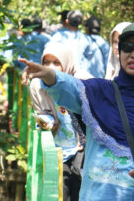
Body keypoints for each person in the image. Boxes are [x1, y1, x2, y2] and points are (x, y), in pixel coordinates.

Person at [19, 19, 134, 200]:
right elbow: (71, 88)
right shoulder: (99, 92)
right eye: (127, 46)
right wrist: (49, 75)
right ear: (120, 51)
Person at [29, 43, 91, 201]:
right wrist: (45, 121)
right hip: (58, 149)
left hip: (84, 149)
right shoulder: (37, 84)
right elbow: (41, 112)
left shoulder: (83, 81)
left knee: (81, 191)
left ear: (67, 62)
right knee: (61, 193)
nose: (51, 67)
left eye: (57, 63)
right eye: (46, 63)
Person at [48, 10, 94, 77]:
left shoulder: (57, 36)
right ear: (81, 22)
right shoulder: (86, 39)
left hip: (62, 74)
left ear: (67, 21)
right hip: (80, 76)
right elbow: (89, 56)